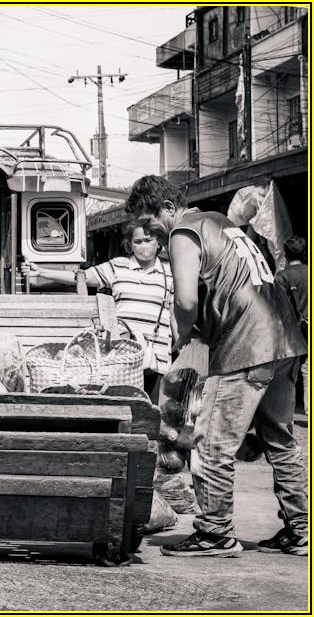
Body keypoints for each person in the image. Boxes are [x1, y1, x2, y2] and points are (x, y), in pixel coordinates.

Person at [125, 175, 307, 558]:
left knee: (210, 444)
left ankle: (215, 533)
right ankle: (302, 530)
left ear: (167, 209)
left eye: (150, 220)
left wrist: (183, 337)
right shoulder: (221, 223)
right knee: (280, 439)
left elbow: (187, 300)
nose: (150, 231)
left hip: (246, 344)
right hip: (284, 338)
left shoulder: (183, 232)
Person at [22, 220, 174, 401]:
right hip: (122, 355)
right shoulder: (118, 266)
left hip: (157, 355)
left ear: (158, 242)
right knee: (125, 406)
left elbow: (175, 312)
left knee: (154, 411)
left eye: (148, 240)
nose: (143, 246)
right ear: (130, 245)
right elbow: (81, 277)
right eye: (137, 242)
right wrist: (41, 272)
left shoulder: (169, 272)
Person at [276, 235, 307, 416]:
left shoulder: (282, 276)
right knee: (308, 370)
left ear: (285, 255)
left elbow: (278, 307)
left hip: (292, 333)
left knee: (289, 375)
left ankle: (286, 416)